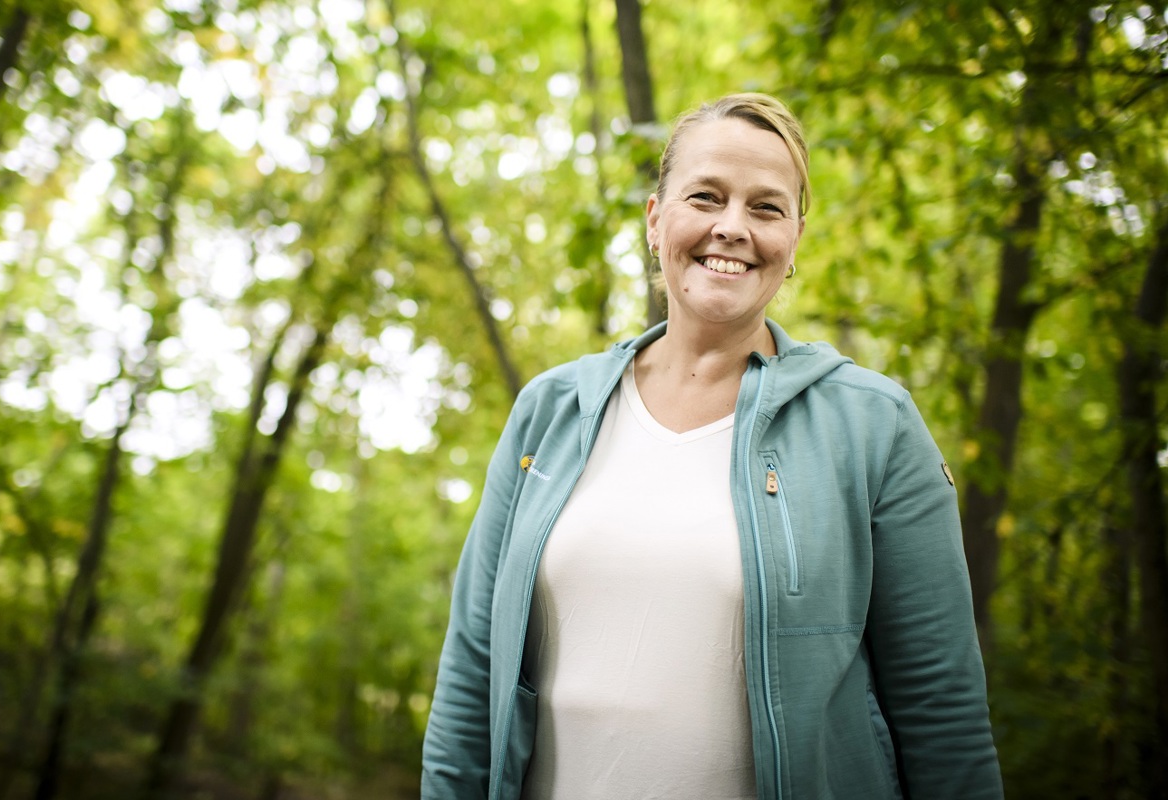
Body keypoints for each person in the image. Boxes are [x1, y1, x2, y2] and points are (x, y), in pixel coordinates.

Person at [420, 93, 1003, 800]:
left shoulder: (874, 426)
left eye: (766, 207)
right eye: (707, 196)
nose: (733, 227)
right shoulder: (550, 412)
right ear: (655, 219)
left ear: (792, 243)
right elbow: (471, 673)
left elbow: (941, 712)